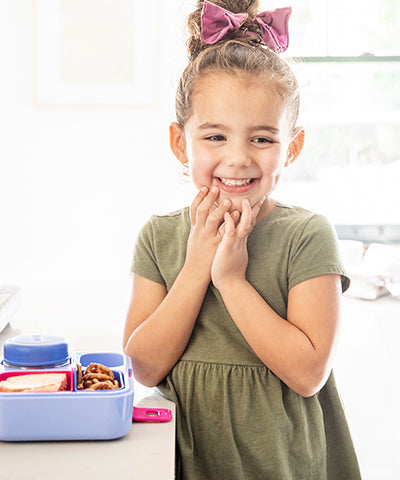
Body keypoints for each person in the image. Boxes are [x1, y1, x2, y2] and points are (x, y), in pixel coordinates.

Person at [122, 1, 361, 478]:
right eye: (214, 137)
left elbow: (308, 373)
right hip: (191, 461)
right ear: (179, 142)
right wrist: (196, 267)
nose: (237, 159)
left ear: (291, 147)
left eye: (262, 139)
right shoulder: (158, 236)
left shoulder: (306, 236)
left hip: (284, 461)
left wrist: (231, 280)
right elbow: (143, 367)